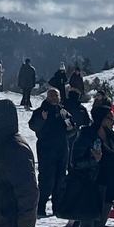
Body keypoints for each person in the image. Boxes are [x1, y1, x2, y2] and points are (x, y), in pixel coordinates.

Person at [29, 88, 71, 218]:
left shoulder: (63, 112)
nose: (53, 98)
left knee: (60, 180)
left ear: (59, 97)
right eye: (51, 95)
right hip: (46, 150)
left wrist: (71, 129)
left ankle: (57, 207)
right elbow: (33, 126)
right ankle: (40, 207)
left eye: (56, 95)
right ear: (47, 98)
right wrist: (41, 119)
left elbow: (71, 129)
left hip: (62, 150)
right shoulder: (41, 111)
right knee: (47, 180)